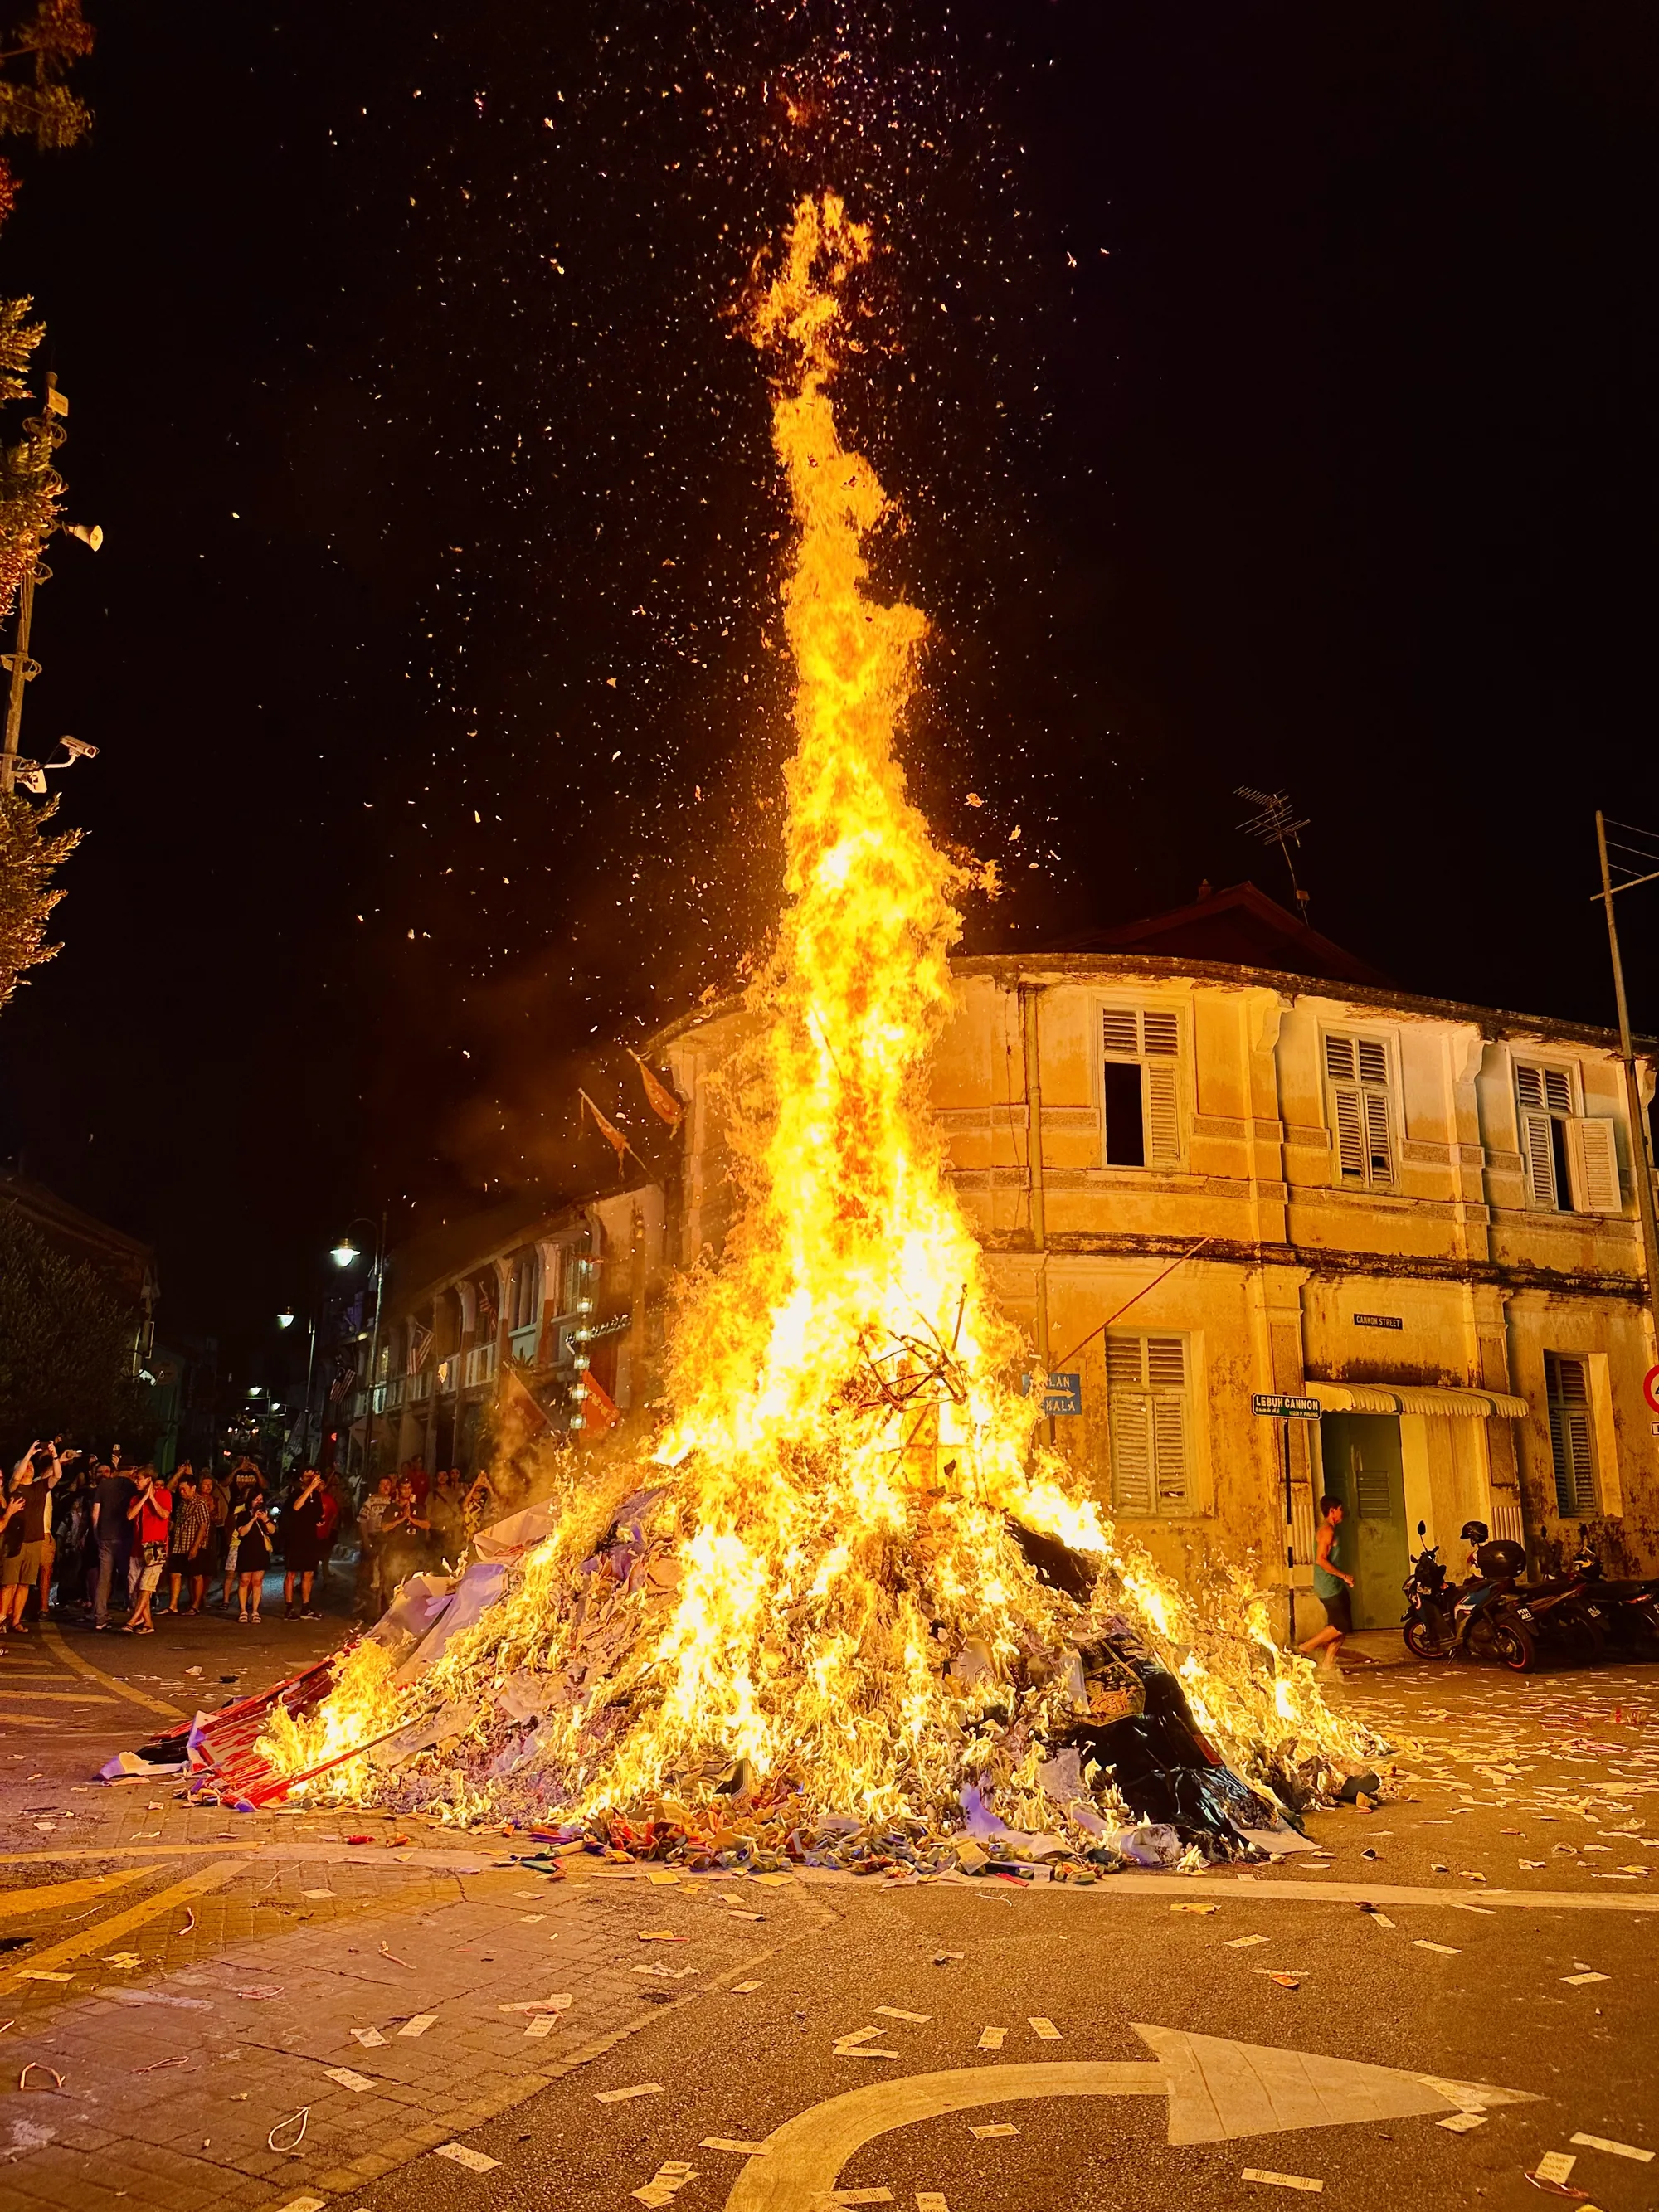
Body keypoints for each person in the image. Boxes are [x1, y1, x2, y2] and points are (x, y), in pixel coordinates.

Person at [1298, 1495, 1372, 1675]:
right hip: (1328, 1585)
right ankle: (1305, 1647)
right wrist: (1344, 1576)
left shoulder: (1331, 1530)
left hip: (1336, 1584)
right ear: (1333, 1511)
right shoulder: (1326, 1531)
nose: (1343, 1512)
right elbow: (1321, 1560)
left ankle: (1328, 1665)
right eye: (1340, 1509)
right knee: (1340, 1625)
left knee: (1343, 1626)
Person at [0, 1443, 55, 1636]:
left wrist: (56, 1457)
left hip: (34, 1540)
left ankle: (16, 1620)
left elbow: (56, 1476)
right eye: (26, 1465)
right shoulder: (13, 1488)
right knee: (9, 1583)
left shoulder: (39, 1487)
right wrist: (29, 1453)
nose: (29, 1467)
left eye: (32, 1465)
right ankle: (2, 1619)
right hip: (15, 1541)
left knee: (25, 1583)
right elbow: (16, 1477)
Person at [123, 1466, 172, 1635]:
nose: (136, 1482)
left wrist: (152, 1497)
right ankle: (148, 1623)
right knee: (134, 1587)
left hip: (155, 1546)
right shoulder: (135, 1498)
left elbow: (164, 1514)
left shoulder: (164, 1494)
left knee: (146, 1585)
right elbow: (129, 1516)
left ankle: (133, 1619)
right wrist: (144, 1498)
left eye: (140, 1479)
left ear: (149, 1480)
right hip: (137, 1547)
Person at [90, 1456, 137, 1630]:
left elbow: (95, 1513)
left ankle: (100, 1617)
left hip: (105, 1536)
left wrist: (97, 1533)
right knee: (129, 1576)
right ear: (131, 1470)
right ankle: (135, 1612)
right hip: (125, 1536)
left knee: (104, 1578)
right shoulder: (132, 1487)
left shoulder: (104, 1485)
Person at [163, 1468, 212, 1616]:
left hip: (193, 1544)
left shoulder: (200, 1503)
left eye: (184, 1489)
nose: (182, 1492)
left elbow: (204, 1525)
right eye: (180, 1489)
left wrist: (196, 1546)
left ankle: (195, 1605)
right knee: (175, 1574)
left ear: (193, 1488)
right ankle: (173, 1605)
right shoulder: (182, 1504)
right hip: (179, 1544)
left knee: (196, 1575)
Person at [376, 1477, 430, 1612]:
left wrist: (411, 1518)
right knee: (392, 1586)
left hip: (413, 1554)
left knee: (411, 1587)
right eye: (403, 1488)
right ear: (399, 1490)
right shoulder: (392, 1508)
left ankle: (408, 1615)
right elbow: (384, 1527)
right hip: (395, 1553)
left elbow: (427, 1525)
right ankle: (388, 1615)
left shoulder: (418, 1508)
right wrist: (401, 1519)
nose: (406, 1490)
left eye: (409, 1488)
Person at [280, 1466, 326, 1619]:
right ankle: (289, 1607)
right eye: (307, 1476)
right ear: (301, 1479)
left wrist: (320, 1520)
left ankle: (306, 1606)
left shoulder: (316, 1496)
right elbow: (296, 1507)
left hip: (310, 1539)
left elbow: (319, 1514)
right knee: (292, 1573)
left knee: (308, 1573)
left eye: (313, 1475)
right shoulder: (296, 1494)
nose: (311, 1478)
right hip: (295, 1539)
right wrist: (310, 1488)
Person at [221, 1461, 265, 1610]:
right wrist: (237, 1468)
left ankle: (248, 1603)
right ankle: (226, 1601)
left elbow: (271, 1529)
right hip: (237, 1543)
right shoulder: (239, 1508)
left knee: (254, 1579)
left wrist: (257, 1471)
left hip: (253, 1546)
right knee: (233, 1574)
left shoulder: (261, 1510)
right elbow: (224, 1483)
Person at [231, 1490, 275, 1623]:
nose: (259, 1502)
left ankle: (255, 1611)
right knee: (244, 1581)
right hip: (246, 1551)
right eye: (256, 1499)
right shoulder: (243, 1515)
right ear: (250, 1501)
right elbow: (242, 1533)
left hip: (260, 1552)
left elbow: (272, 1531)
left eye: (261, 1500)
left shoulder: (265, 1515)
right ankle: (243, 1610)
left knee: (258, 1582)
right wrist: (253, 1519)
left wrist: (265, 1519)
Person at [354, 1473, 392, 1620]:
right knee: (369, 1577)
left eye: (388, 1484)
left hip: (387, 1541)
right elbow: (362, 1523)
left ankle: (380, 1610)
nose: (386, 1487)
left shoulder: (392, 1502)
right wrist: (366, 1541)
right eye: (383, 1484)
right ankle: (364, 1609)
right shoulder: (370, 1502)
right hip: (373, 1539)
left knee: (384, 1576)